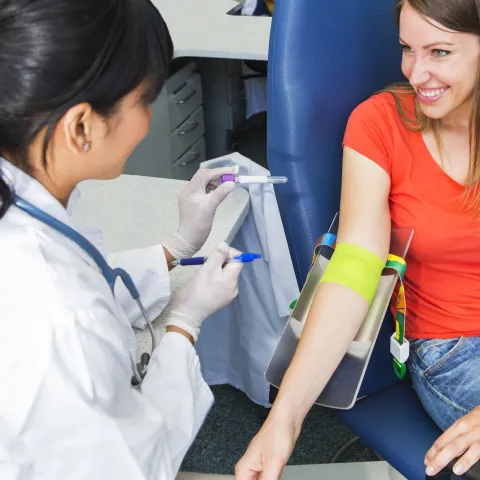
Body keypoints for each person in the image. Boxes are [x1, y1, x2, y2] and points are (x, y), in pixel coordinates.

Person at [235, 0, 480, 478]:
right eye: (408, 49)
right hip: (456, 347)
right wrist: (284, 420)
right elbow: (354, 271)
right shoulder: (380, 123)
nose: (417, 72)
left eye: (440, 53)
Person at [0, 0, 242, 478]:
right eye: (144, 101)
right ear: (81, 126)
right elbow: (137, 463)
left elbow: (82, 277)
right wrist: (184, 325)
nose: (149, 120)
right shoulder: (60, 317)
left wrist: (174, 248)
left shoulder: (25, 198)